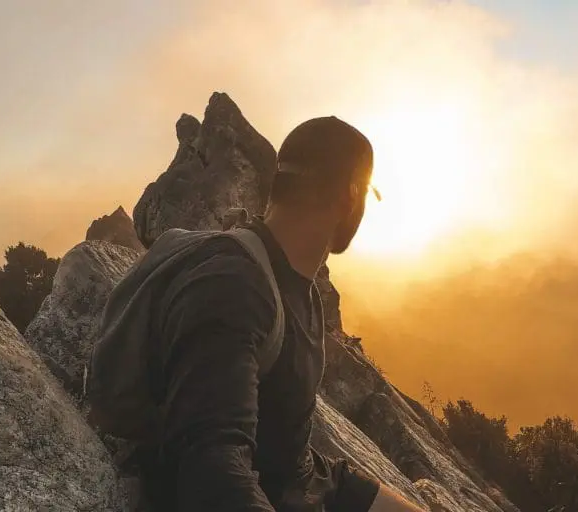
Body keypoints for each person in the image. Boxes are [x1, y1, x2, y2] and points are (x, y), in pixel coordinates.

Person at [120, 116, 423, 511]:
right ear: (351, 194)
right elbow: (211, 472)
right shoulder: (232, 287)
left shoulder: (298, 288)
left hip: (288, 484)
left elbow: (284, 446)